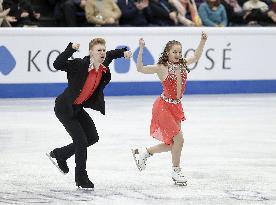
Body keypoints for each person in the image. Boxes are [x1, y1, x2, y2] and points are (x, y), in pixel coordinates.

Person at [46, 38, 132, 190]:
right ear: (91, 52)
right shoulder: (79, 65)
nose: (102, 53)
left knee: (92, 137)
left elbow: (112, 54)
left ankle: (60, 154)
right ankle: (81, 178)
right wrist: (70, 49)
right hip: (64, 108)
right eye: (99, 50)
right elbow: (57, 64)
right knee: (80, 141)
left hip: (77, 108)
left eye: (103, 50)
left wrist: (123, 52)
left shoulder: (103, 64)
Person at [132, 32, 207, 186]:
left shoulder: (183, 63)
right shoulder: (161, 67)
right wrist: (140, 49)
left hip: (176, 107)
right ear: (168, 53)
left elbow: (196, 56)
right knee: (179, 139)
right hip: (163, 107)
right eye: (175, 52)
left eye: (180, 52)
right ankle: (176, 170)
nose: (178, 54)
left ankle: (144, 153)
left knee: (173, 144)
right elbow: (140, 68)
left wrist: (202, 41)